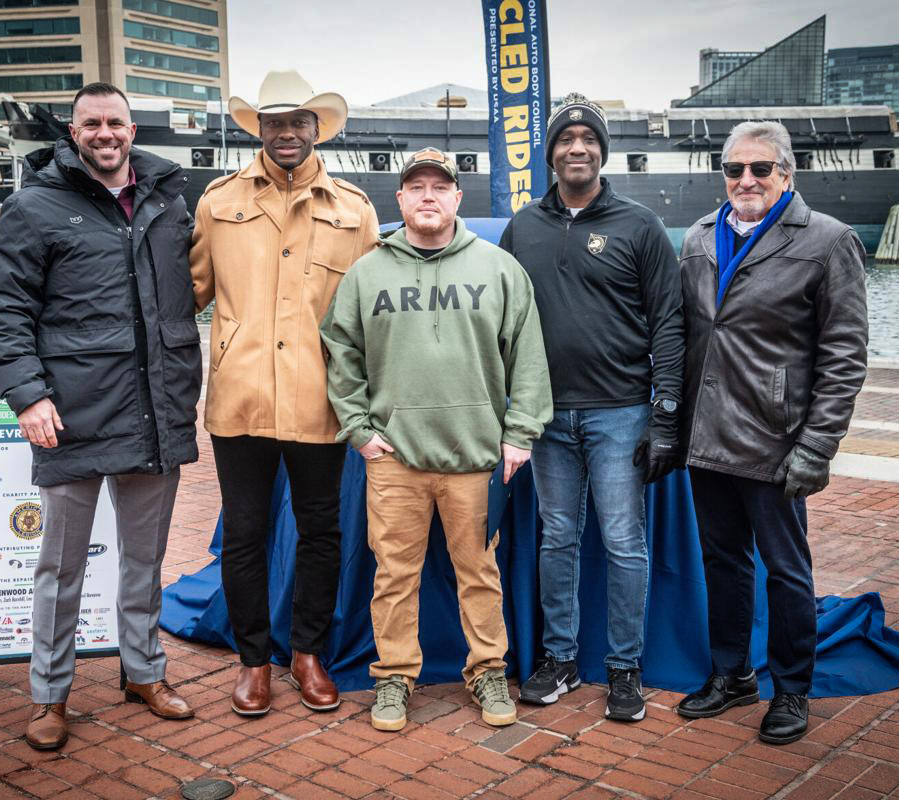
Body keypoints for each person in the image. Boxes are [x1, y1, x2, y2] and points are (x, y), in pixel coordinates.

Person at [0, 82, 204, 750]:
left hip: (154, 412)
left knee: (144, 561)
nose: (105, 133)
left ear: (132, 131)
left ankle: (145, 673)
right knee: (60, 569)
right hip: (71, 416)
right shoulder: (34, 206)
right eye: (92, 124)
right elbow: (3, 308)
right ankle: (50, 695)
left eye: (116, 123)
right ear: (73, 134)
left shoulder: (168, 203)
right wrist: (28, 396)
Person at [321, 147, 552, 732]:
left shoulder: (499, 268)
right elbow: (341, 353)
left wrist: (520, 434)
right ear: (399, 199)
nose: (428, 196)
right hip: (394, 458)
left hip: (474, 457)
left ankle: (488, 670)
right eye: (417, 187)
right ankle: (394, 676)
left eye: (440, 186)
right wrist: (359, 431)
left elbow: (528, 357)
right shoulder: (367, 272)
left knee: (479, 573)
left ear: (457, 197)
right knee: (394, 576)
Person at [189, 69, 379, 716]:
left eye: (298, 121)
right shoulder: (218, 202)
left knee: (320, 531)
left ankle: (307, 654)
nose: (287, 132)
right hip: (239, 397)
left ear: (316, 128)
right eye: (275, 122)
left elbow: (373, 313)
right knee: (245, 534)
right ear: (260, 129)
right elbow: (186, 294)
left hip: (320, 399)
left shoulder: (354, 210)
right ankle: (253, 662)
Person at [675, 120, 868, 745]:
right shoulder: (699, 237)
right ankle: (731, 675)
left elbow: (845, 357)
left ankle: (791, 688)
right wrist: (669, 425)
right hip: (707, 437)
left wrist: (817, 445)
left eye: (760, 168)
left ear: (787, 172)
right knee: (722, 562)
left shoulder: (828, 242)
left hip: (775, 440)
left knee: (786, 570)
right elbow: (683, 335)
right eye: (734, 169)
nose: (746, 180)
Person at [499, 94, 685, 721]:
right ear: (549, 153)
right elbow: (500, 320)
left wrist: (665, 413)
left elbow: (669, 322)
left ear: (603, 152)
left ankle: (625, 667)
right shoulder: (522, 227)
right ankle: (560, 658)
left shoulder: (640, 225)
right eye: (565, 139)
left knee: (624, 541)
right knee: (557, 538)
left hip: (621, 413)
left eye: (588, 139)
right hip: (544, 415)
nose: (576, 147)